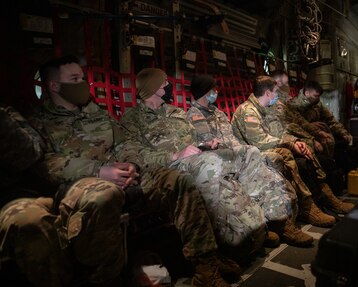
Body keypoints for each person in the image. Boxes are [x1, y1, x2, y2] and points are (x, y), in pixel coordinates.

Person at [30, 55, 232, 287]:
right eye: (75, 78)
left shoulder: (96, 113)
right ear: (54, 85)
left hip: (126, 178)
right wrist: (99, 171)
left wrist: (132, 165)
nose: (83, 83)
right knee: (103, 196)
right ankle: (108, 279)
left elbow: (127, 143)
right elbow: (45, 163)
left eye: (83, 78)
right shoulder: (40, 122)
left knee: (177, 180)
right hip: (84, 189)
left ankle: (205, 264)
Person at [120, 68, 312, 251]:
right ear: (152, 87)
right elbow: (134, 154)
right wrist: (173, 155)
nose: (168, 85)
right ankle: (236, 235)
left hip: (197, 157)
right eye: (164, 82)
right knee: (212, 167)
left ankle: (277, 220)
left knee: (249, 152)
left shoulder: (175, 113)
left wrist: (204, 145)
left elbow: (192, 140)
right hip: (171, 165)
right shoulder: (132, 119)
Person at [0, 105, 125, 287]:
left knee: (30, 220)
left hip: (19, 192)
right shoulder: (42, 116)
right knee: (28, 221)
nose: (81, 83)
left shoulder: (9, 113)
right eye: (74, 78)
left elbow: (32, 154)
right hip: (21, 193)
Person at [187, 74, 313, 247]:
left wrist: (247, 156)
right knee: (251, 177)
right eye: (213, 89)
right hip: (219, 162)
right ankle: (262, 227)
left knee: (268, 173)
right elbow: (205, 147)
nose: (216, 92)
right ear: (205, 92)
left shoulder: (218, 113)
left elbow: (233, 140)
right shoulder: (193, 116)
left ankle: (280, 222)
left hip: (237, 156)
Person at [231, 76, 354, 226]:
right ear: (268, 93)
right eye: (276, 91)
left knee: (305, 149)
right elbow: (260, 141)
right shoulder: (248, 111)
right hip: (251, 155)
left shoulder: (265, 109)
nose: (278, 94)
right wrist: (290, 143)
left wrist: (296, 142)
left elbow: (278, 132)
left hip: (265, 147)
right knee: (289, 155)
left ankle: (326, 197)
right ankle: (307, 207)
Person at [286, 80, 353, 157]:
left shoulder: (317, 104)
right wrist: (318, 133)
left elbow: (330, 119)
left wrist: (343, 132)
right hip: (304, 135)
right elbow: (301, 124)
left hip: (318, 132)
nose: (318, 99)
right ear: (307, 93)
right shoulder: (294, 105)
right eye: (315, 96)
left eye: (319, 96)